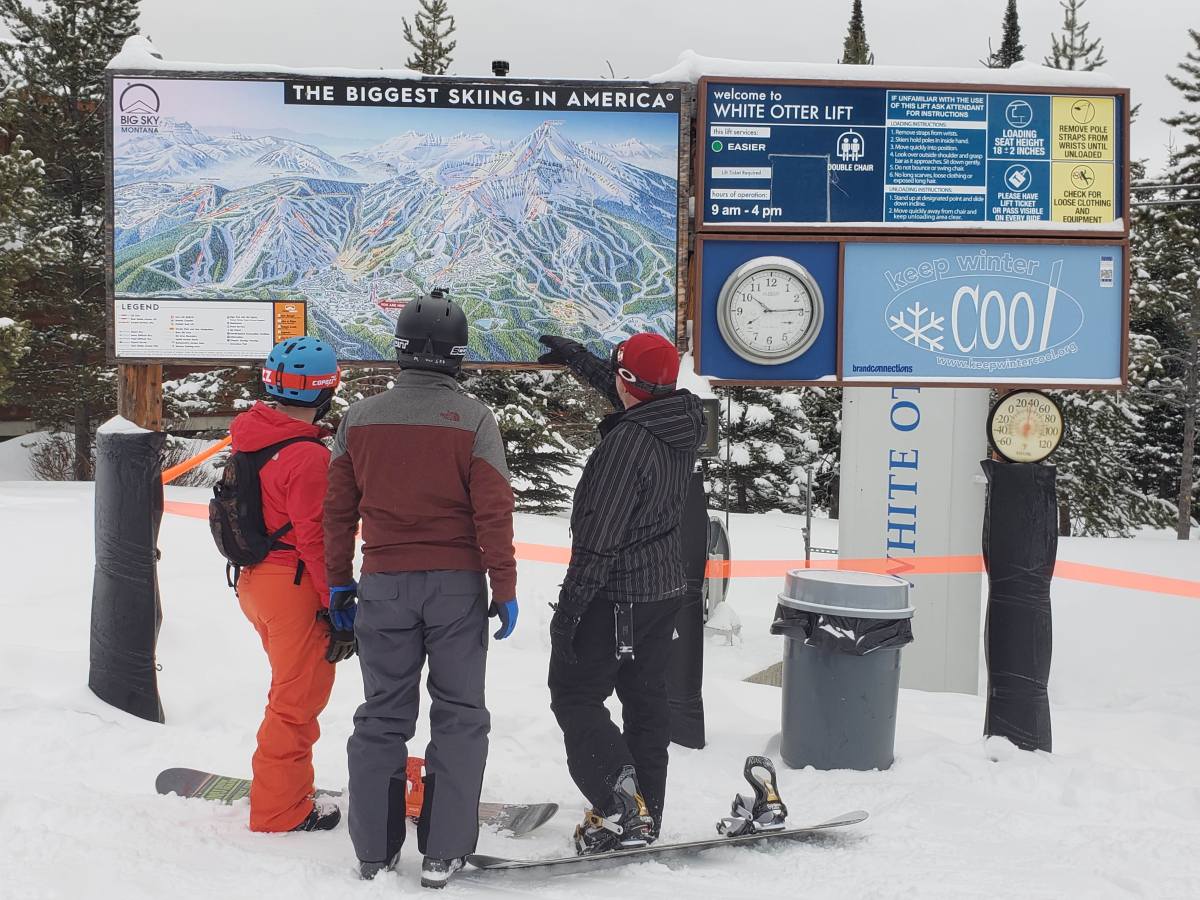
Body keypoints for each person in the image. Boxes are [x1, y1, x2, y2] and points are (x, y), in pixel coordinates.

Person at [324, 290, 518, 889]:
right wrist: (504, 585)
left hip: (384, 584)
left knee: (381, 715)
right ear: (457, 355)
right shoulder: (474, 420)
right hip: (457, 587)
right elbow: (493, 512)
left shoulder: (359, 419)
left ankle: (374, 852)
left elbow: (337, 513)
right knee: (460, 715)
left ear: (401, 349)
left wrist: (339, 582)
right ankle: (443, 850)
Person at [537, 331, 705, 855]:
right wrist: (580, 361)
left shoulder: (627, 445)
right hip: (662, 590)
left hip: (616, 594)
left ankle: (618, 804)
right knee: (646, 702)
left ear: (627, 379)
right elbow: (634, 393)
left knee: (575, 695)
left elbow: (598, 540)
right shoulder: (680, 418)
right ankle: (644, 814)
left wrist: (568, 613)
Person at [229, 336, 347, 834]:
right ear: (326, 391)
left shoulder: (252, 434)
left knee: (288, 692)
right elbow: (316, 540)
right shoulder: (307, 457)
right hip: (293, 586)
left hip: (256, 582)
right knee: (296, 703)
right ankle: (279, 810)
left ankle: (287, 784)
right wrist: (338, 602)